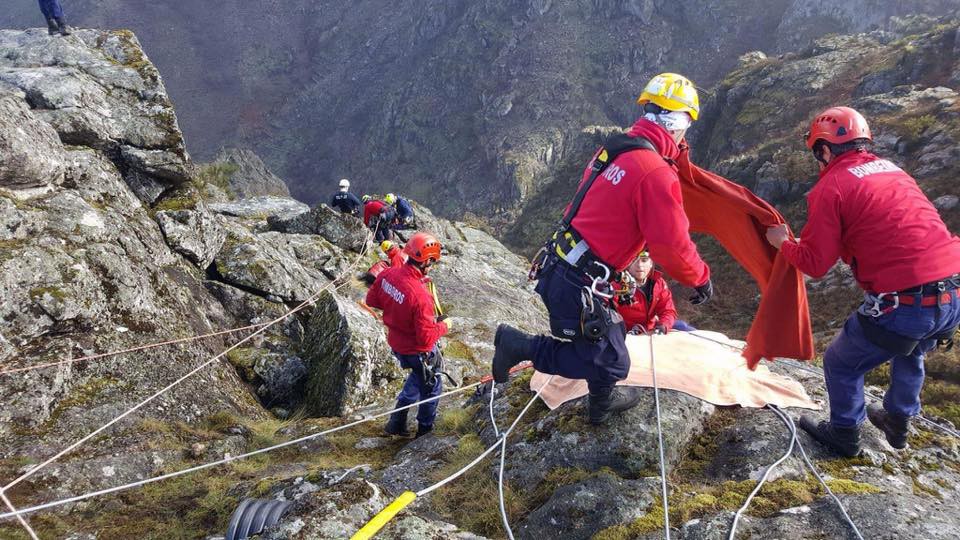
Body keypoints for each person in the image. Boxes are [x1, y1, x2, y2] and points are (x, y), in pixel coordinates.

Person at [490, 73, 713, 425]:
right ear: (678, 124)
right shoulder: (656, 172)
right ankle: (517, 346)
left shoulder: (617, 149)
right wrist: (699, 277)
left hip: (566, 267)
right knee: (611, 360)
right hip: (578, 280)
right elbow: (670, 245)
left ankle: (601, 404)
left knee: (608, 339)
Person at [766, 106, 960, 457]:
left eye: (818, 154)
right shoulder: (894, 171)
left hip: (906, 303)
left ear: (824, 150)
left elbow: (815, 263)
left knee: (841, 362)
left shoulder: (832, 187)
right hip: (952, 294)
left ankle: (844, 432)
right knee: (912, 346)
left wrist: (783, 243)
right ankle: (898, 420)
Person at [365, 232, 451, 438]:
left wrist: (396, 309)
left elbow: (372, 300)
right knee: (431, 386)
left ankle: (396, 423)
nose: (432, 266)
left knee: (417, 377)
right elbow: (425, 339)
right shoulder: (421, 296)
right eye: (433, 262)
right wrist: (445, 326)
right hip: (416, 350)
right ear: (427, 261)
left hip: (397, 343)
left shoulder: (387, 274)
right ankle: (424, 431)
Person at [614, 251, 690, 335]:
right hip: (628, 333)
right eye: (633, 260)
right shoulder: (617, 285)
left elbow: (668, 310)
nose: (639, 265)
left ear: (651, 263)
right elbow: (607, 313)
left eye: (644, 260)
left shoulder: (658, 283)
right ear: (627, 263)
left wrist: (663, 325)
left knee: (684, 327)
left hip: (653, 328)